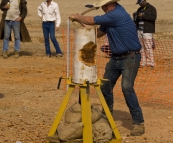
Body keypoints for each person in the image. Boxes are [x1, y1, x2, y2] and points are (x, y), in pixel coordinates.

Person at [70, 0, 145, 136]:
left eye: (105, 5)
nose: (103, 8)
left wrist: (78, 17)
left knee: (127, 88)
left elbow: (92, 19)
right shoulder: (110, 18)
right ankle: (107, 116)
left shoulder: (117, 14)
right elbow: (97, 33)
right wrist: (80, 21)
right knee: (105, 86)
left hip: (130, 57)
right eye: (102, 6)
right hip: (116, 58)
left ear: (113, 3)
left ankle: (138, 123)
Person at [133, 0, 157, 67]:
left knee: (148, 47)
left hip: (147, 31)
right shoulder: (139, 9)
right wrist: (135, 16)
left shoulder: (152, 8)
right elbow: (136, 20)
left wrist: (143, 15)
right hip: (139, 31)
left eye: (140, 3)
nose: (139, 5)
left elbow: (153, 17)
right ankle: (143, 61)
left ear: (144, 1)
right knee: (141, 47)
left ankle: (150, 62)